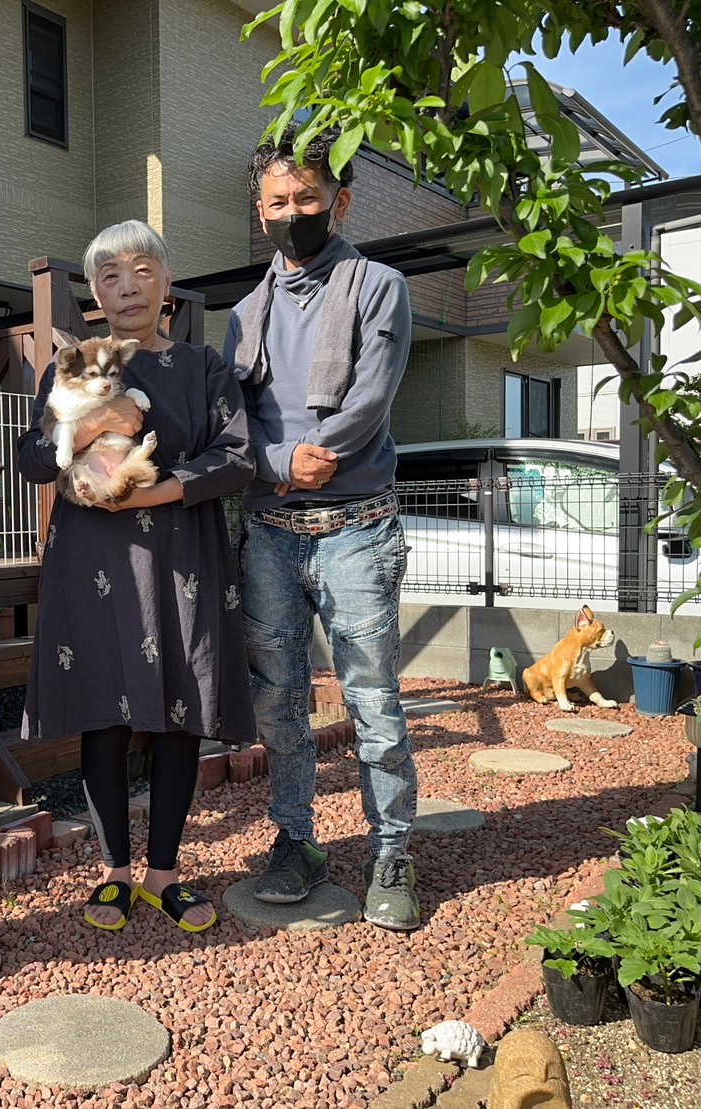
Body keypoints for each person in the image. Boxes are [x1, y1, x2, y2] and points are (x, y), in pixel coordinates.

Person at [18, 220, 255, 935]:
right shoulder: (69, 366)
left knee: (180, 710)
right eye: (110, 276)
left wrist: (155, 493)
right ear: (95, 295)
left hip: (181, 557)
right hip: (91, 558)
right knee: (104, 711)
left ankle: (164, 873)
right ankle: (115, 871)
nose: (127, 287)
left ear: (167, 285)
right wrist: (95, 426)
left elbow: (236, 456)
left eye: (142, 271)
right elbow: (34, 458)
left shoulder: (204, 368)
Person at [224, 124, 421, 931]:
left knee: (371, 696)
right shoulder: (244, 313)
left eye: (306, 198)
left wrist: (311, 456)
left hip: (356, 526)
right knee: (277, 702)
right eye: (277, 201)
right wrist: (279, 464)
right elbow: (234, 423)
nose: (291, 213)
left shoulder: (378, 286)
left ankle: (392, 849)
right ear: (258, 208)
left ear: (339, 200)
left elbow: (370, 396)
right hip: (268, 531)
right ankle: (294, 838)